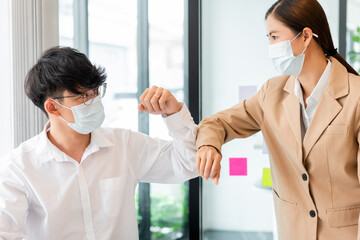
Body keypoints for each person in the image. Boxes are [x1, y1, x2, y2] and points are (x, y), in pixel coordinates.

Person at [195, 0, 360, 239]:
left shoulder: (356, 95)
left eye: (274, 37)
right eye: (268, 38)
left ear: (305, 36)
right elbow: (218, 123)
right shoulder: (271, 93)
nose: (270, 46)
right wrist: (209, 144)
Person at [0, 47, 199, 240]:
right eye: (83, 96)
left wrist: (173, 114)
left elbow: (188, 164)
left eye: (95, 92)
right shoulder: (18, 168)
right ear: (53, 107)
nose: (94, 100)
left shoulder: (124, 145)